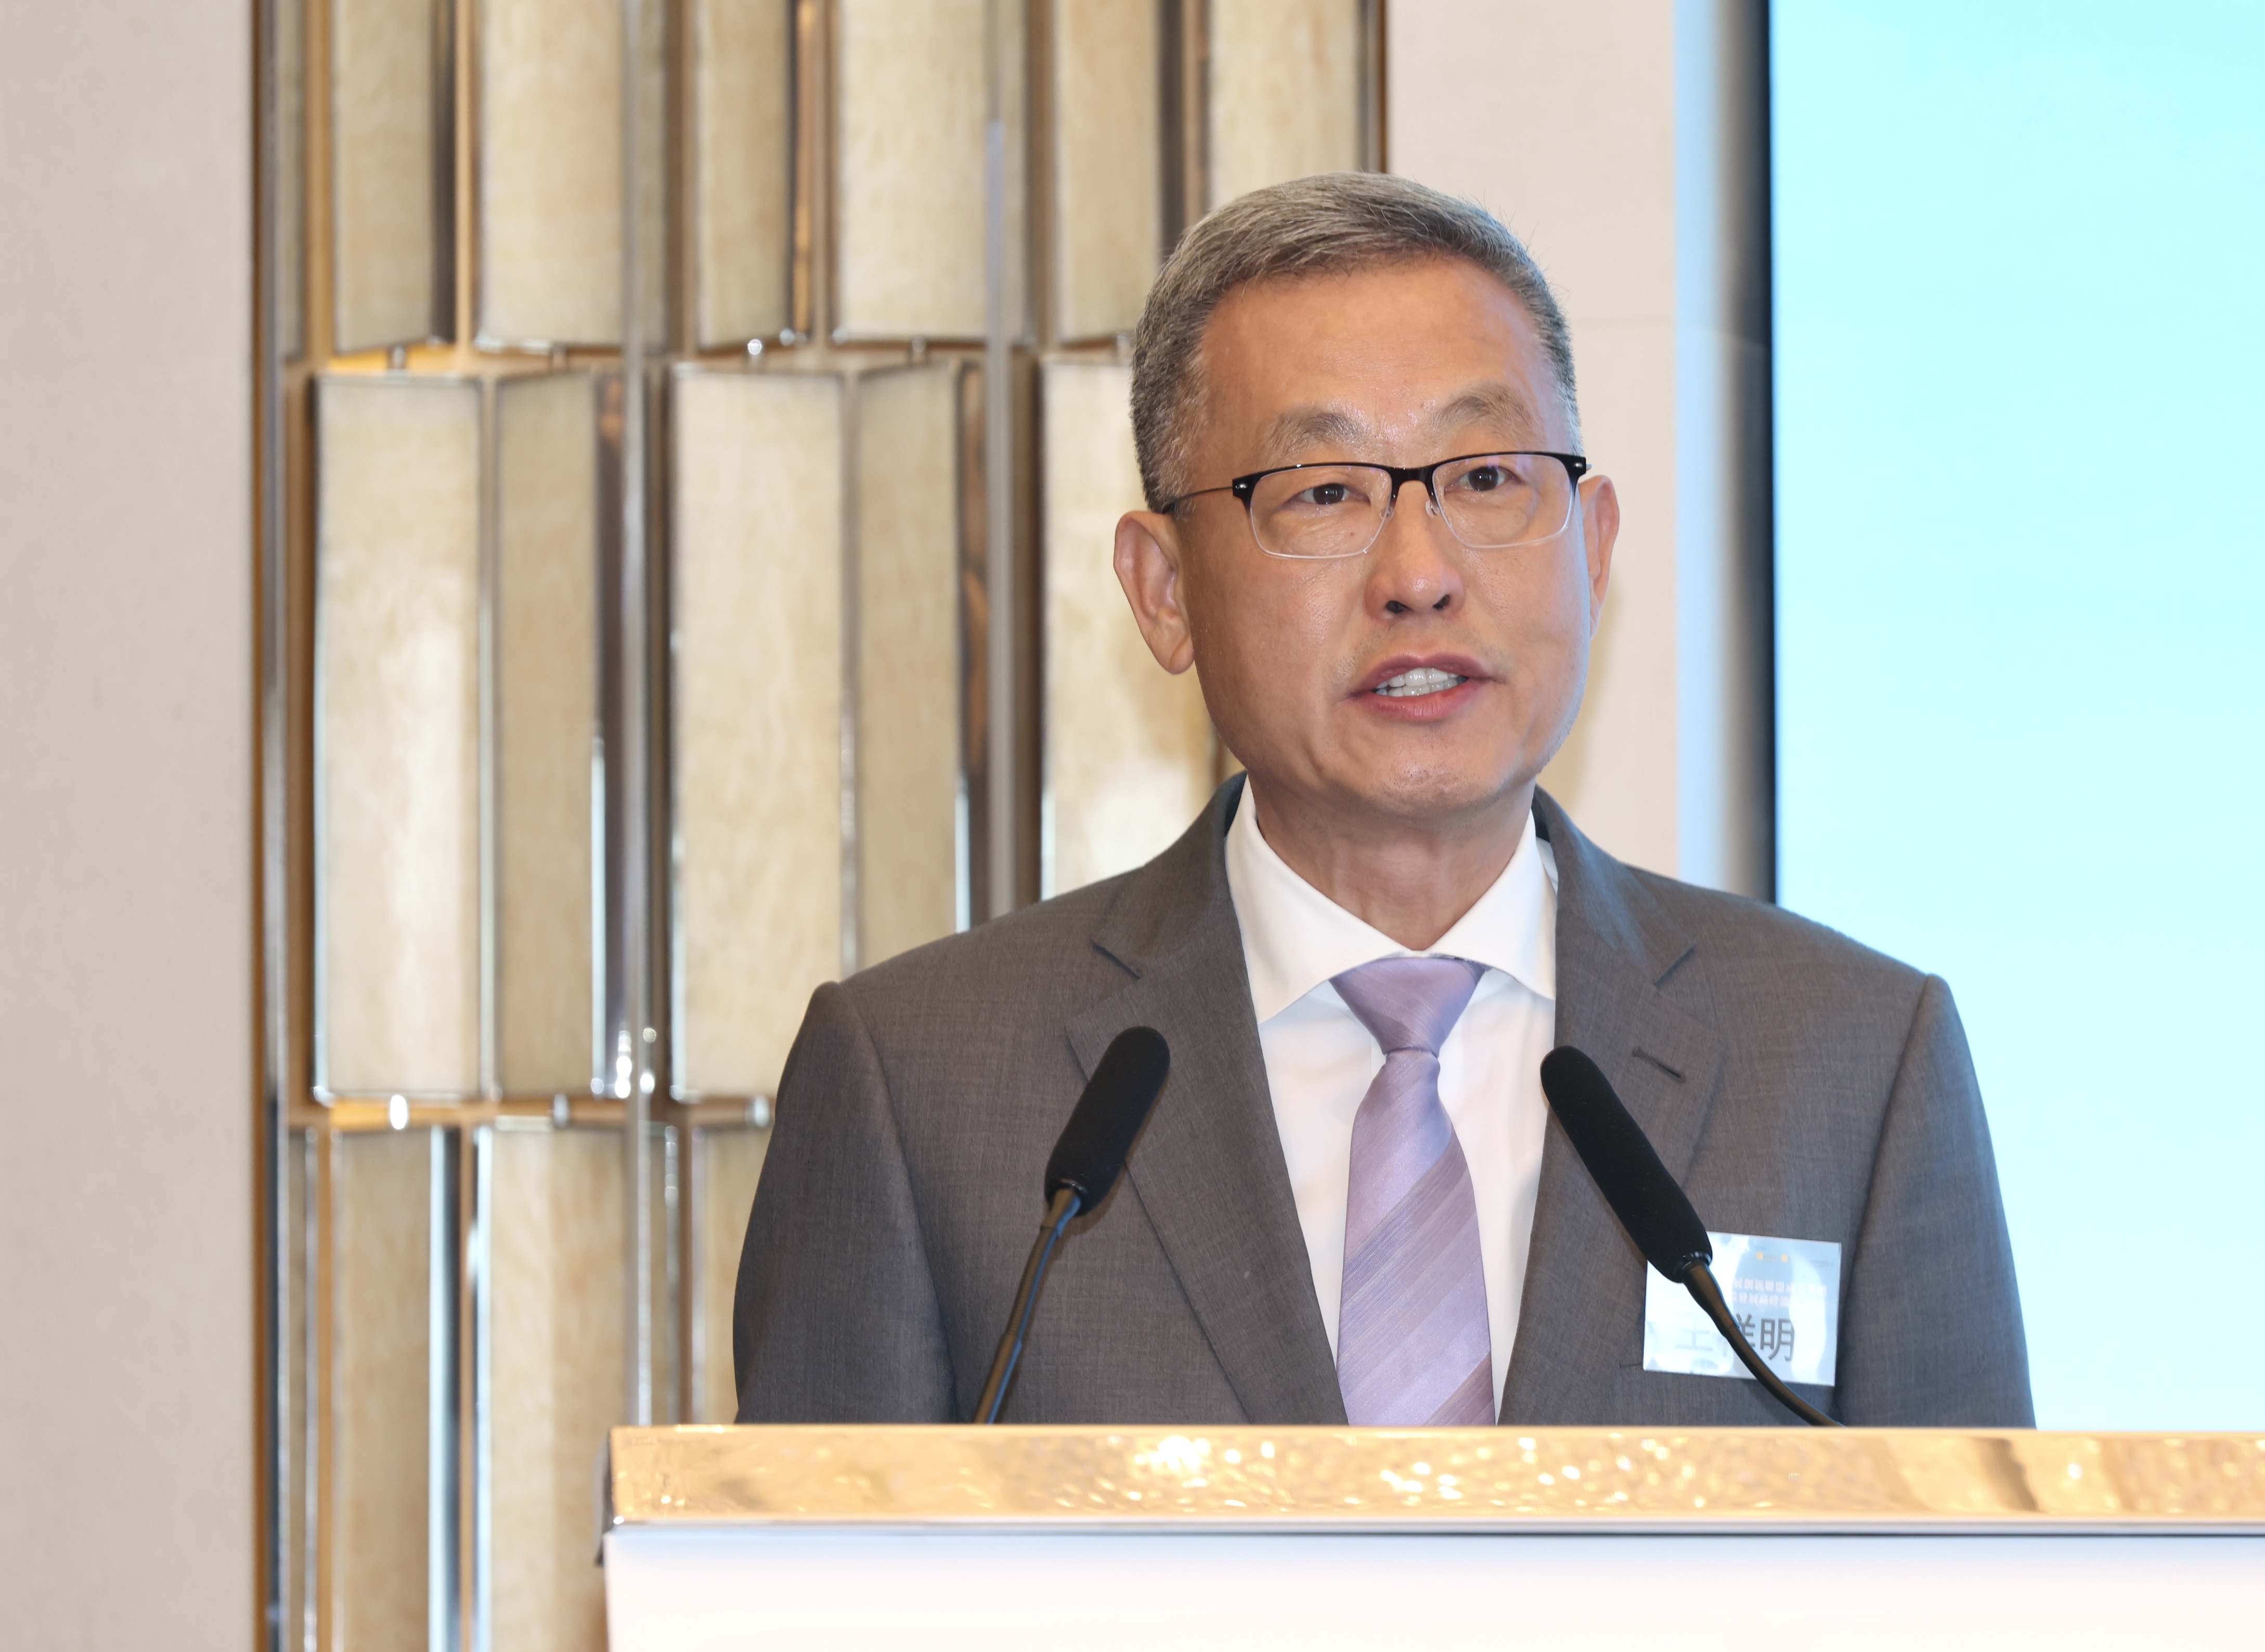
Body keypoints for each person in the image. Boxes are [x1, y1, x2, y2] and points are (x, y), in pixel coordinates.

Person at [733, 173, 2028, 1427]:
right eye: (1324, 492)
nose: (1419, 574)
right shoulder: (921, 1088)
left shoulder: (1856, 1069)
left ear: (1594, 547)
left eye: (1487, 477)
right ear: (1164, 592)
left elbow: (1983, 1577)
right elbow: (805, 1581)